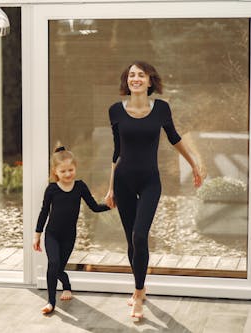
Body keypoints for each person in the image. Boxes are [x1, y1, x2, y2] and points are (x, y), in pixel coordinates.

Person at [104, 61, 205, 320]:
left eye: (141, 75)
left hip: (150, 181)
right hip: (123, 181)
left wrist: (194, 161)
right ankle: (140, 286)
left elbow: (174, 137)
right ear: (127, 81)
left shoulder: (161, 108)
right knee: (131, 240)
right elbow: (117, 152)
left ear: (150, 81)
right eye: (131, 75)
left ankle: (138, 295)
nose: (135, 78)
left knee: (140, 236)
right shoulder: (115, 111)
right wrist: (110, 187)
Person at [33, 146, 110, 315]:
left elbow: (94, 207)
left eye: (71, 169)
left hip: (69, 236)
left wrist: (111, 205)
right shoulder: (52, 189)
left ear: (75, 168)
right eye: (63, 171)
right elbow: (44, 212)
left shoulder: (80, 187)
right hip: (52, 234)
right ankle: (51, 302)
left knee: (59, 268)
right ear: (56, 172)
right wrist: (37, 235)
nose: (68, 174)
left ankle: (66, 286)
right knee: (53, 264)